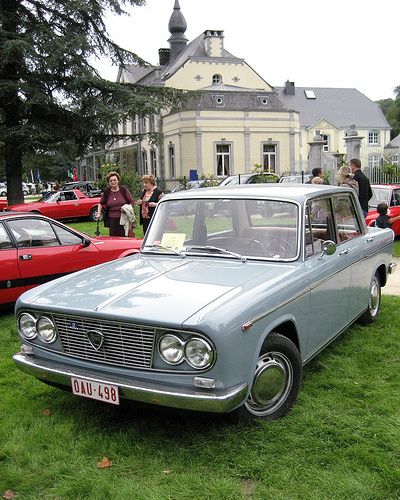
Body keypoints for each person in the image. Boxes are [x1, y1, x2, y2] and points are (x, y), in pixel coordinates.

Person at [97, 171, 135, 237]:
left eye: (114, 180)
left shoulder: (123, 190)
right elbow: (100, 203)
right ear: (108, 182)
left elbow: (132, 202)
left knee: (124, 236)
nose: (113, 182)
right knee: (113, 237)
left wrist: (126, 208)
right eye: (111, 181)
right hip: (112, 219)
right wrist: (99, 213)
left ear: (118, 180)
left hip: (123, 218)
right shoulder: (106, 192)